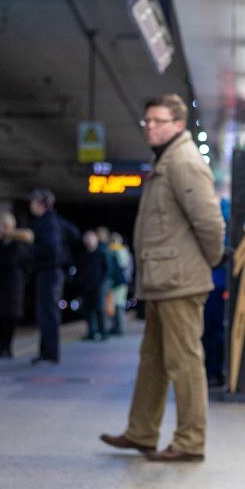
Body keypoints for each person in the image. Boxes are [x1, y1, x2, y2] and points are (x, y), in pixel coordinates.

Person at [100, 94, 225, 462]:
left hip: (178, 282)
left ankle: (190, 441)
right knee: (153, 358)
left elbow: (210, 223)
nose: (150, 127)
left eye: (158, 121)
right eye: (147, 121)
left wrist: (207, 262)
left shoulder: (184, 162)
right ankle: (141, 431)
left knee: (184, 361)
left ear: (178, 125)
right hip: (162, 280)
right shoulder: (167, 161)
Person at [27, 188, 67, 364]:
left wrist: (31, 250)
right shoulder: (53, 221)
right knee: (45, 313)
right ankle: (46, 352)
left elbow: (50, 248)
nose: (30, 206)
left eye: (33, 202)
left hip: (49, 272)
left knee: (48, 313)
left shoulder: (47, 222)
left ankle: (50, 354)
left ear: (41, 204)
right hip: (50, 272)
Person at [0, 212, 33, 358]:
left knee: (8, 317)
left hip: (12, 286)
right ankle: (2, 346)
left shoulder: (17, 244)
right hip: (0, 284)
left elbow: (18, 263)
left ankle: (6, 346)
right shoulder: (1, 242)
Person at [78, 230, 110, 341]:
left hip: (99, 286)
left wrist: (103, 283)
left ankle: (103, 333)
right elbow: (80, 270)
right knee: (87, 310)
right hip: (87, 287)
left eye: (90, 238)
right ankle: (91, 332)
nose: (88, 240)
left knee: (100, 310)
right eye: (86, 238)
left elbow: (107, 269)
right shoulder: (83, 254)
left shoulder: (101, 252)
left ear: (96, 239)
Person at [106, 232, 131, 336]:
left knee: (115, 305)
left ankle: (117, 328)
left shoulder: (110, 251)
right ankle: (119, 328)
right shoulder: (124, 251)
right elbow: (126, 266)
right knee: (119, 304)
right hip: (122, 281)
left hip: (114, 281)